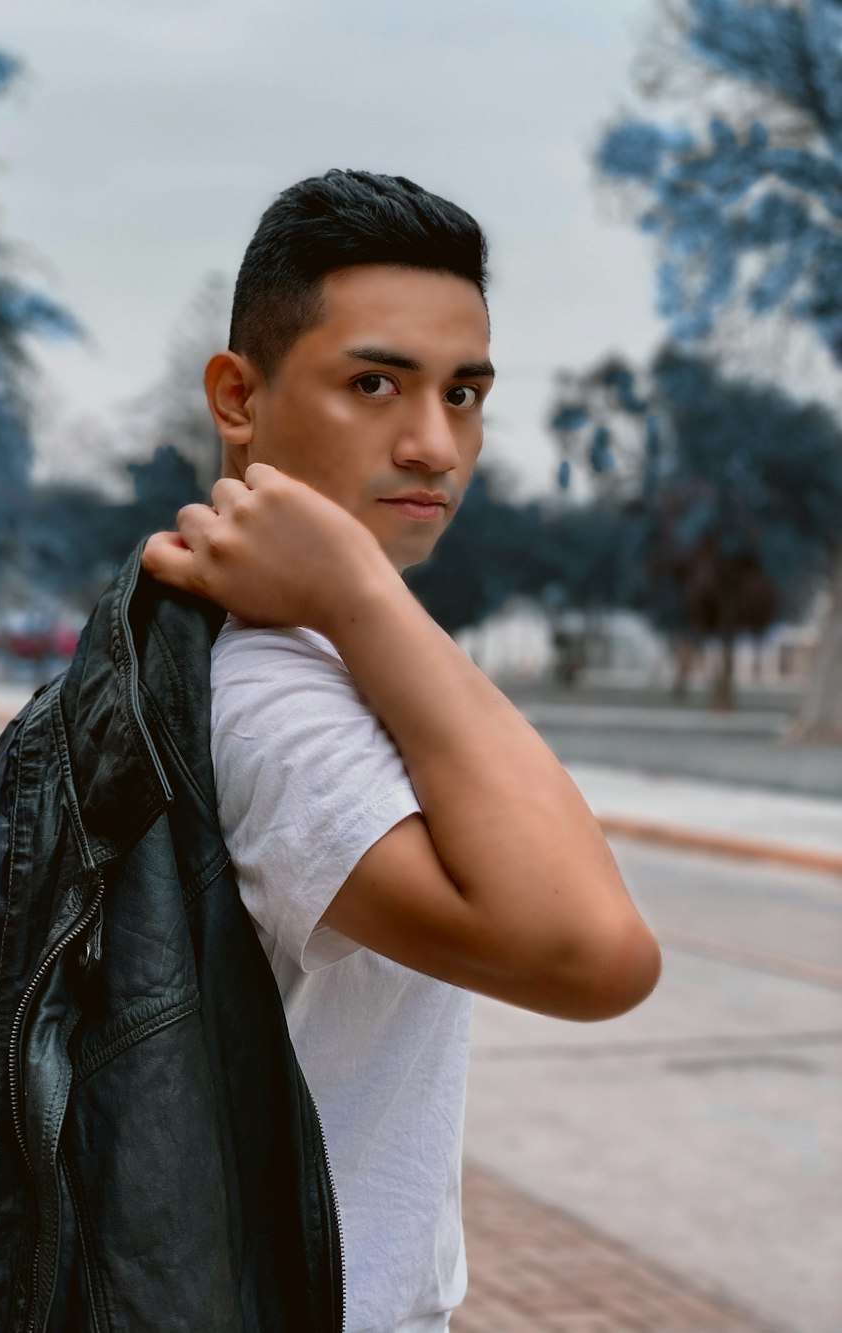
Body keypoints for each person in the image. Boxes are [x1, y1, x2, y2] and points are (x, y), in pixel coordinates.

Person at [143, 168, 662, 1333]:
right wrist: (360, 594)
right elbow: (595, 956)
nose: (434, 444)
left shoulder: (284, 655)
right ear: (238, 394)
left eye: (465, 393)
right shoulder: (269, 698)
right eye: (374, 383)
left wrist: (355, 606)